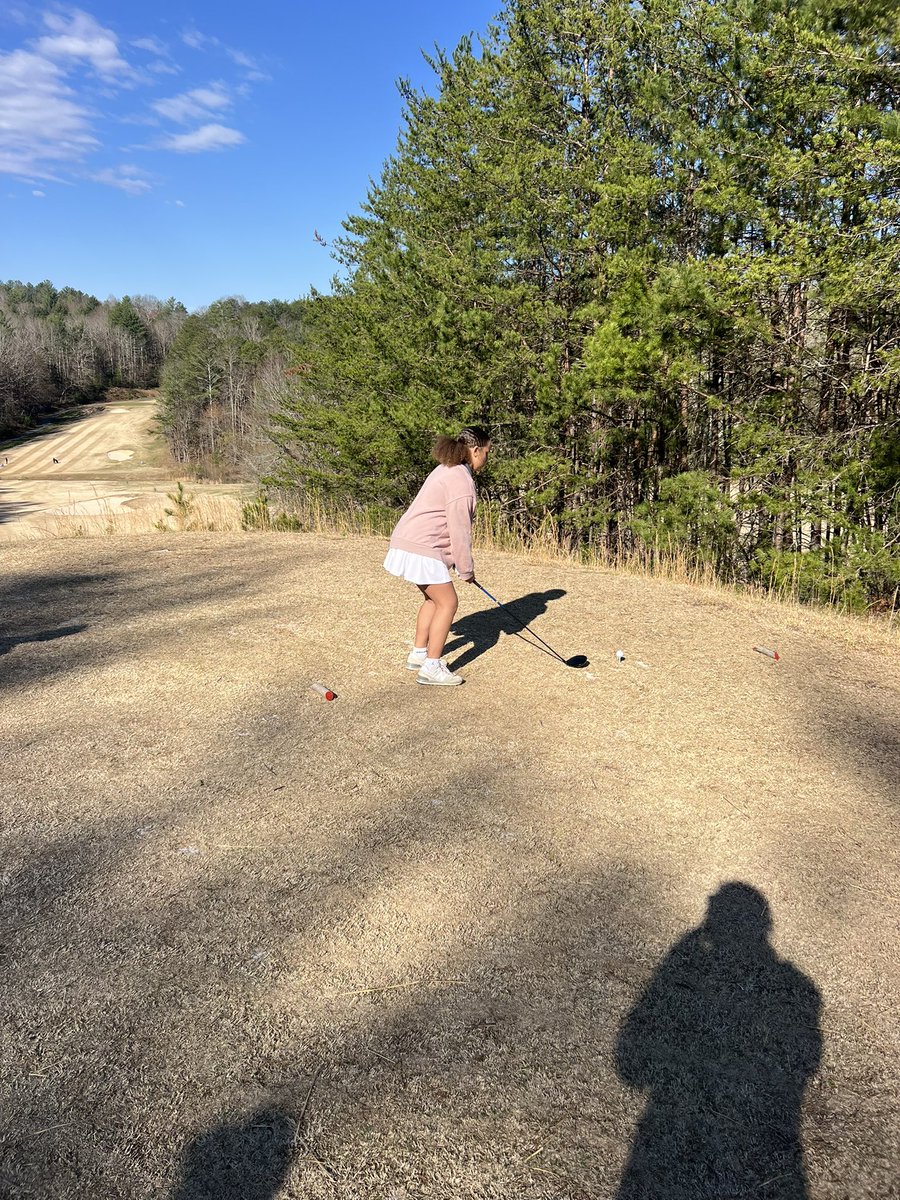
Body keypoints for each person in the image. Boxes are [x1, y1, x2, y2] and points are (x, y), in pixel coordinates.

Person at [384, 427, 491, 686]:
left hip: (408, 542)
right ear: (475, 451)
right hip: (422, 547)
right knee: (448, 603)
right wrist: (465, 569)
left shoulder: (447, 468)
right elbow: (459, 530)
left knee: (432, 599)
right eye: (487, 452)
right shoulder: (461, 480)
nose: (487, 458)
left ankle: (419, 653)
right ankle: (432, 666)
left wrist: (455, 564)